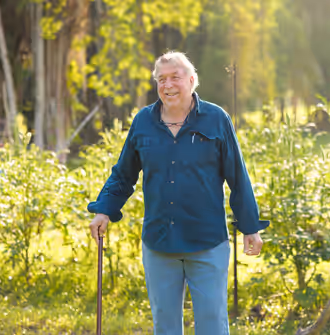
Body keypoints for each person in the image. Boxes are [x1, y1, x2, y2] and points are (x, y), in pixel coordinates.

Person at [88, 51, 270, 335]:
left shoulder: (216, 119)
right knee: (166, 326)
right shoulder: (143, 122)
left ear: (192, 80)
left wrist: (250, 227)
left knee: (212, 324)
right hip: (159, 243)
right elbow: (124, 174)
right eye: (161, 79)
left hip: (207, 242)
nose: (167, 84)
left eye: (175, 77)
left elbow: (238, 176)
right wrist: (103, 210)